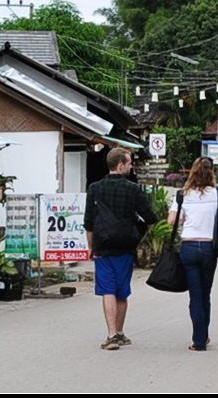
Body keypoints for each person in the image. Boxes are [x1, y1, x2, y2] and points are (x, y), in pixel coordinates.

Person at [84, 148, 159, 351]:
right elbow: (151, 218)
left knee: (107, 289)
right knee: (121, 291)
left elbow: (88, 222)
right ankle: (119, 331)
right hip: (126, 246)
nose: (131, 165)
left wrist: (91, 246)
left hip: (102, 245)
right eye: (129, 162)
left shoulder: (94, 188)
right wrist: (139, 236)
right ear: (120, 165)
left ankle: (111, 335)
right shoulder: (133, 189)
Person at [167, 156, 218, 352]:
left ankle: (198, 340)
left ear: (192, 172)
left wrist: (186, 218)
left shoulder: (183, 195)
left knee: (195, 295)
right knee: (205, 294)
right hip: (210, 248)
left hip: (189, 247)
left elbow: (171, 221)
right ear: (212, 172)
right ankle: (204, 335)